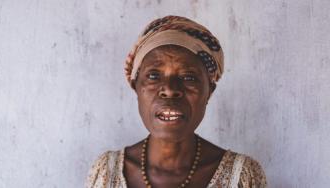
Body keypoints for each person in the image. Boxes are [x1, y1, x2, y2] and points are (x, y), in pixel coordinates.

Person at [85, 15, 267, 188]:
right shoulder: (106, 173)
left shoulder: (241, 176)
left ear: (209, 92)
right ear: (136, 87)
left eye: (188, 77)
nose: (170, 89)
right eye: (154, 75)